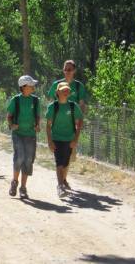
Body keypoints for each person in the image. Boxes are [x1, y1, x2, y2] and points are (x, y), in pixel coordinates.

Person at [47, 59, 86, 188]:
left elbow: (82, 106)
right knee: (60, 157)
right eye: (65, 69)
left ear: (74, 71)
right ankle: (62, 181)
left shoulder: (79, 86)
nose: (67, 72)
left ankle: (63, 179)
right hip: (58, 126)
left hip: (72, 126)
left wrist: (79, 122)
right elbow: (51, 103)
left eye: (70, 69)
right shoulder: (56, 84)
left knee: (69, 156)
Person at [46, 82, 83, 198]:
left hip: (69, 138)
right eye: (63, 90)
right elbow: (48, 125)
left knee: (66, 162)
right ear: (57, 92)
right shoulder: (53, 107)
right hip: (57, 138)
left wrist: (75, 139)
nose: (66, 92)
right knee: (59, 162)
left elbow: (79, 123)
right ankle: (60, 186)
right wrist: (50, 141)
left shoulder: (73, 106)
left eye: (67, 90)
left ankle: (63, 181)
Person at [7, 75, 40, 199]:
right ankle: (14, 182)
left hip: (31, 134)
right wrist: (11, 125)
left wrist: (37, 125)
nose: (33, 87)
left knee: (28, 160)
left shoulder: (36, 100)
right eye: (31, 85)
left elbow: (37, 116)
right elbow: (9, 115)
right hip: (18, 134)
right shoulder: (15, 100)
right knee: (20, 157)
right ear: (24, 87)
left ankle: (23, 188)